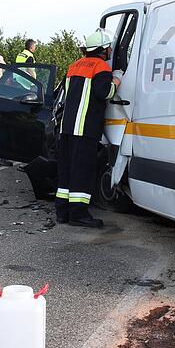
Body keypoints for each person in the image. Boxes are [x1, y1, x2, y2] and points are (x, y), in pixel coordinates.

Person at [56, 28, 121, 228]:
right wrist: (116, 81)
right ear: (102, 49)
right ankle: (79, 214)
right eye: (109, 47)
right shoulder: (101, 67)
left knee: (67, 170)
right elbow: (104, 93)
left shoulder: (74, 65)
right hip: (85, 129)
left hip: (67, 127)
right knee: (82, 171)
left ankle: (63, 212)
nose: (111, 50)